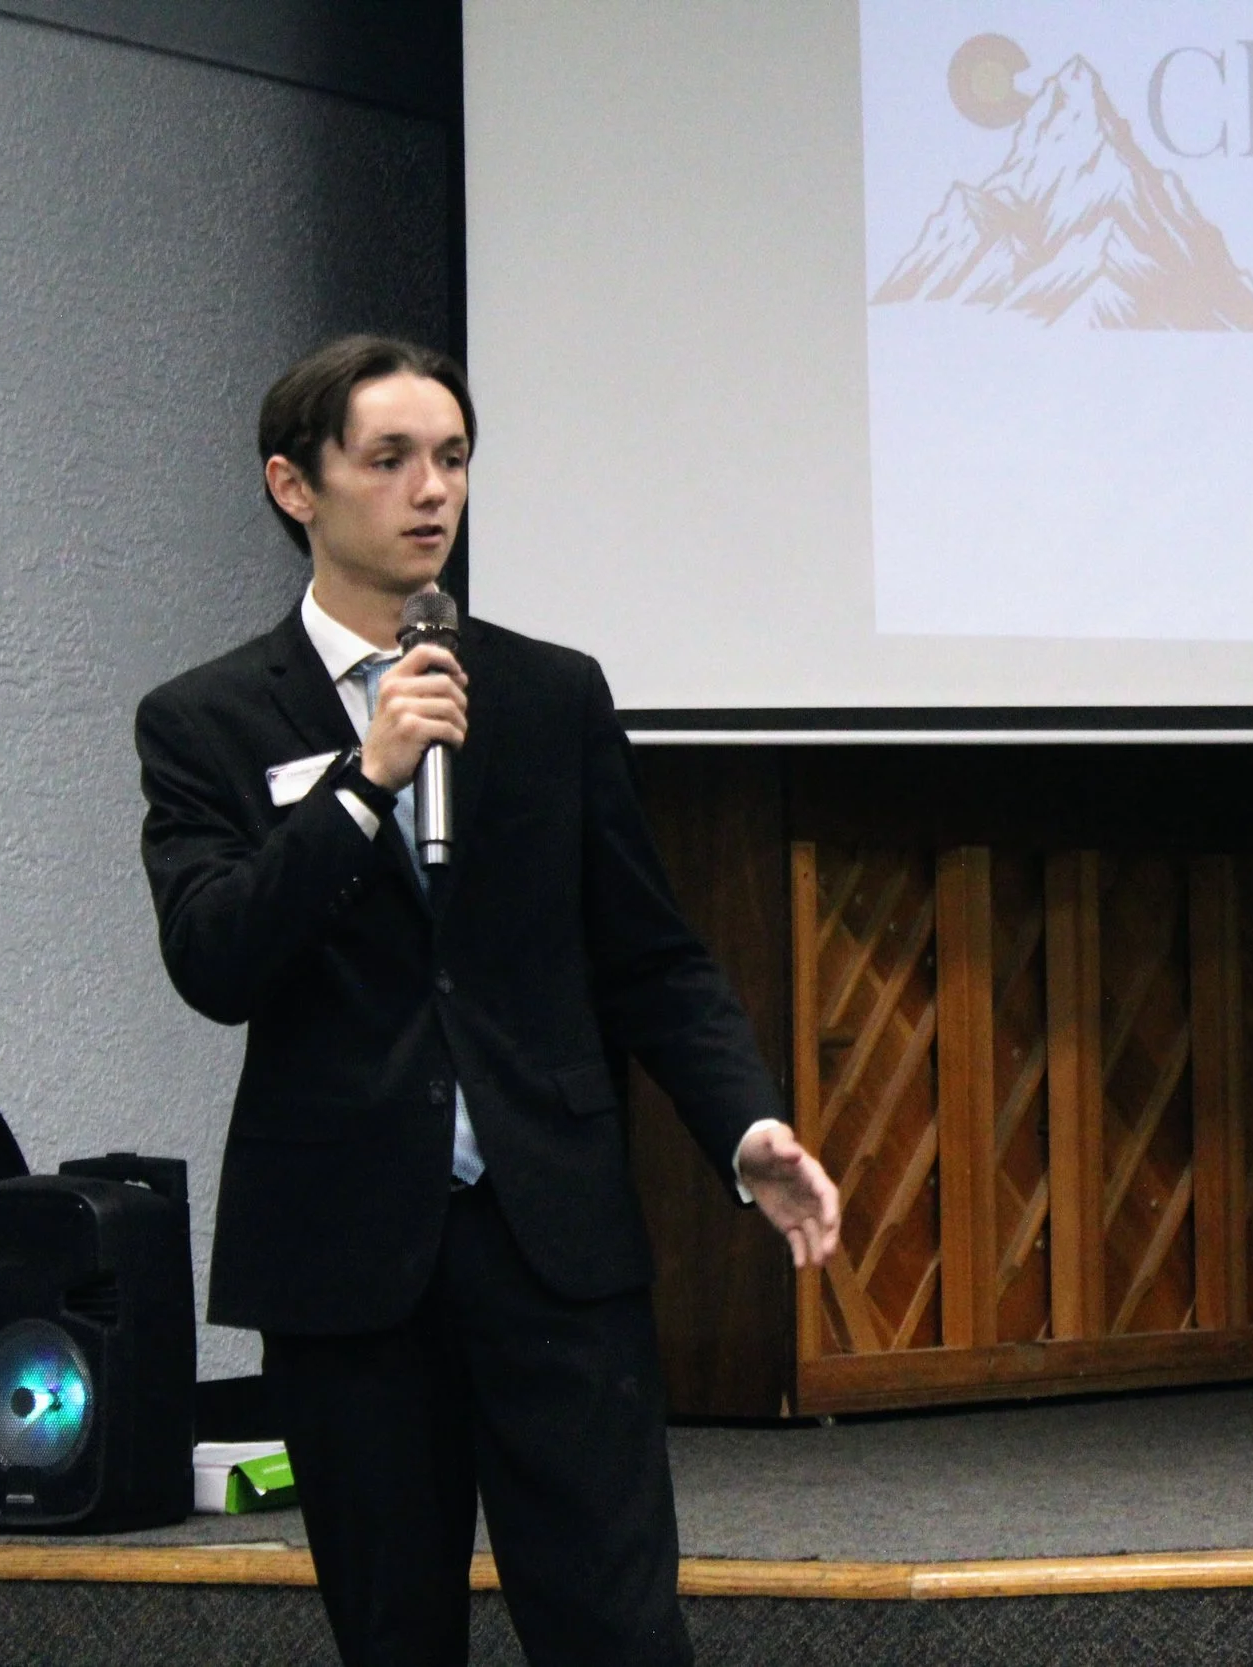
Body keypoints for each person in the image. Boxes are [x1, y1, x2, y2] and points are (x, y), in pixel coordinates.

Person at [133, 334, 840, 1665]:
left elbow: (652, 956)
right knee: (394, 1633)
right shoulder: (207, 720)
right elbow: (215, 959)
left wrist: (744, 1127)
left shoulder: (548, 693)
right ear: (296, 486)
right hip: (346, 1256)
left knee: (618, 1626)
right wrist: (364, 778)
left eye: (451, 457)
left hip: (551, 1241)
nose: (431, 491)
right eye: (389, 458)